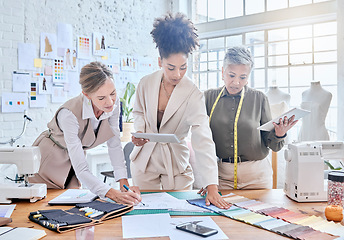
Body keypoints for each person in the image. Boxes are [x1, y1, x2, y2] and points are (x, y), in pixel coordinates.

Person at [130, 13, 230, 209]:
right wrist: (140, 132)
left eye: (183, 67)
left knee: (180, 213)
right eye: (171, 67)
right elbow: (138, 113)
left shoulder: (193, 93)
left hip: (176, 164)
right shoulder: (145, 83)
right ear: (160, 62)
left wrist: (211, 184)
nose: (177, 74)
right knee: (145, 214)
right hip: (144, 161)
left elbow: (203, 137)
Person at [29, 62, 142, 205]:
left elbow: (114, 144)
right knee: (44, 208)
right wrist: (111, 193)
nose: (110, 102)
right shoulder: (69, 114)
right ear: (86, 95)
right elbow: (82, 168)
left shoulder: (114, 104)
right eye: (101, 98)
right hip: (50, 162)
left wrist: (123, 182)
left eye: (112, 93)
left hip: (73, 163)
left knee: (74, 211)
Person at [204, 46, 297, 190]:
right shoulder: (209, 98)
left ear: (248, 77)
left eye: (243, 77)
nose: (236, 82)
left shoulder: (259, 98)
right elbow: (201, 137)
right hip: (221, 177)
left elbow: (272, 145)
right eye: (231, 75)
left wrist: (280, 134)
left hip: (257, 177)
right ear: (223, 72)